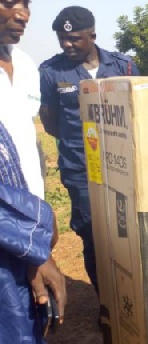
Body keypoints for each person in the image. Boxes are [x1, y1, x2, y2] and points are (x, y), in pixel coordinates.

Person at [39, 6, 140, 293]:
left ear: (92, 35)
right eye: (62, 39)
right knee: (93, 235)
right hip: (82, 170)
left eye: (75, 39)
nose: (66, 45)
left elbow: (138, 114)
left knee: (128, 232)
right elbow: (50, 122)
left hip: (124, 168)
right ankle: (106, 301)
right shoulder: (52, 72)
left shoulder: (124, 67)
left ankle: (129, 296)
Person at [0, 0, 67, 342]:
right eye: (8, 1)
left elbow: (27, 147)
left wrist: (41, 219)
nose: (23, 13)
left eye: (26, 3)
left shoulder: (25, 65)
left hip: (25, 228)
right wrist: (32, 243)